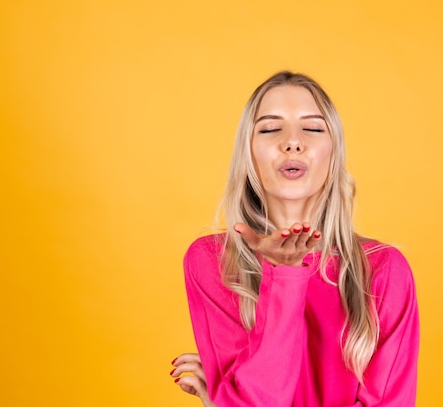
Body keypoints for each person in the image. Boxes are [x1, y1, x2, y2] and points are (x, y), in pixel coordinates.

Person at [171, 71, 419, 406]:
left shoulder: (383, 269)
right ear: (248, 154)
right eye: (271, 128)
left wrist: (223, 401)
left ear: (334, 153)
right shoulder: (213, 261)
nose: (292, 142)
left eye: (313, 128)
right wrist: (284, 276)